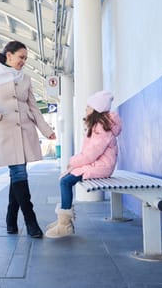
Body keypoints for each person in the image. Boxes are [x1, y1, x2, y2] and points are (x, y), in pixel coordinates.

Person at [0, 40, 56, 238]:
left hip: (25, 131)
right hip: (4, 131)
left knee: (17, 174)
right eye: (21, 57)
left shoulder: (26, 79)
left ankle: (11, 219)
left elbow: (33, 107)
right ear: (8, 55)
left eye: (26, 59)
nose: (23, 62)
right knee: (19, 173)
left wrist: (46, 130)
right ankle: (31, 221)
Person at [45, 90, 122, 238]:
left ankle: (65, 225)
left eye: (88, 106)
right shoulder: (99, 126)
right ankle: (63, 220)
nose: (86, 109)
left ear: (96, 109)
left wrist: (73, 162)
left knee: (66, 181)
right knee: (65, 179)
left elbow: (92, 154)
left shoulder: (102, 128)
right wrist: (75, 164)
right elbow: (91, 154)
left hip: (102, 167)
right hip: (99, 164)